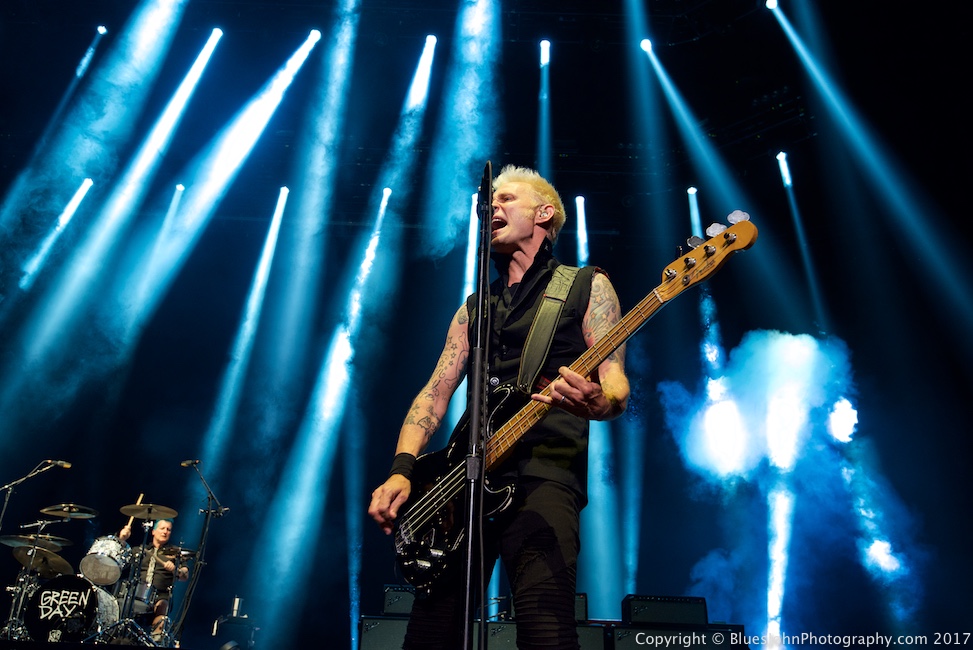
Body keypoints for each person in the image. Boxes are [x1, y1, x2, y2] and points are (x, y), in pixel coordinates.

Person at [368, 165, 630, 649]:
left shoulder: (586, 286)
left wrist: (599, 401)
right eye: (490, 201)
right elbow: (434, 393)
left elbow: (615, 384)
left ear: (544, 213)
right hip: (462, 482)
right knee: (429, 637)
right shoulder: (475, 307)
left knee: (546, 632)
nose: (493, 206)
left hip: (544, 475)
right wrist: (402, 470)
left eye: (507, 198)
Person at [118, 518, 189, 641]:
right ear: (153, 531)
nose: (165, 532)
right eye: (162, 528)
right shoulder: (140, 550)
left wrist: (176, 570)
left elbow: (185, 575)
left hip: (160, 595)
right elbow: (120, 559)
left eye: (168, 529)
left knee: (163, 606)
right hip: (137, 592)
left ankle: (155, 639)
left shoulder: (175, 553)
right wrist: (122, 539)